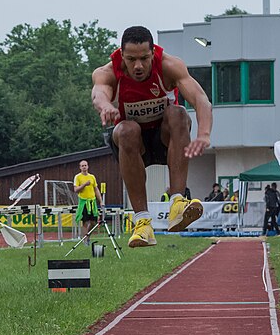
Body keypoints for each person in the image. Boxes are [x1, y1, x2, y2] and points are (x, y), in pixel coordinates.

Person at [91, 26, 212, 247]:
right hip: (133, 145)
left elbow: (201, 99)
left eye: (144, 58)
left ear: (153, 53)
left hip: (165, 139)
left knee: (178, 113)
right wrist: (106, 106)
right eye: (131, 59)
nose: (138, 66)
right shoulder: (108, 72)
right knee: (126, 129)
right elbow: (98, 93)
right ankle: (142, 222)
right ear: (121, 55)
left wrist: (204, 134)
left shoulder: (168, 66)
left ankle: (177, 202)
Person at [73, 160, 104, 245]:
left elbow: (96, 189)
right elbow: (76, 190)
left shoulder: (92, 177)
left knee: (94, 222)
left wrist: (101, 201)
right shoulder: (78, 177)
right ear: (80, 167)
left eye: (85, 165)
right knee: (85, 222)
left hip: (92, 202)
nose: (84, 167)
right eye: (82, 166)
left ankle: (88, 236)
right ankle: (85, 240)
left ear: (88, 166)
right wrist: (84, 185)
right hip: (84, 202)